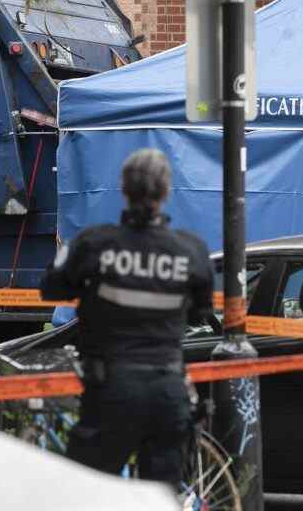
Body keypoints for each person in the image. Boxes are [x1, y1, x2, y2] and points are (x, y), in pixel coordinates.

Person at [39, 148, 215, 489]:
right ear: (166, 192)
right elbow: (200, 313)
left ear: (123, 188)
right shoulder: (191, 251)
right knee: (161, 496)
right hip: (168, 392)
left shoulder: (94, 244)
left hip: (111, 392)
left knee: (86, 490)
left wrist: (69, 256)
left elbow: (51, 289)